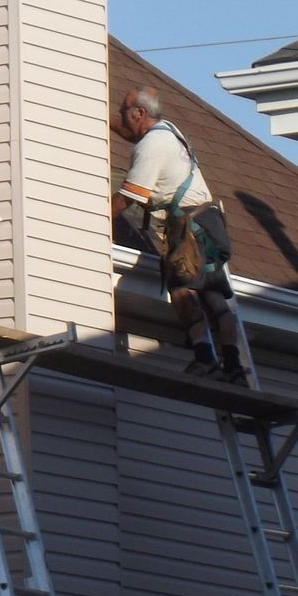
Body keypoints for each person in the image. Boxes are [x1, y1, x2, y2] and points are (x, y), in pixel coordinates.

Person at [112, 88, 245, 382]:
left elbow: (129, 197)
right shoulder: (169, 132)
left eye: (123, 111)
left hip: (188, 229)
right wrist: (101, 117)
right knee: (212, 295)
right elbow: (132, 134)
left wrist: (95, 219)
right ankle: (234, 366)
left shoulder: (151, 147)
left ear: (139, 113)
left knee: (182, 290)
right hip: (210, 221)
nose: (121, 117)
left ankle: (205, 357)